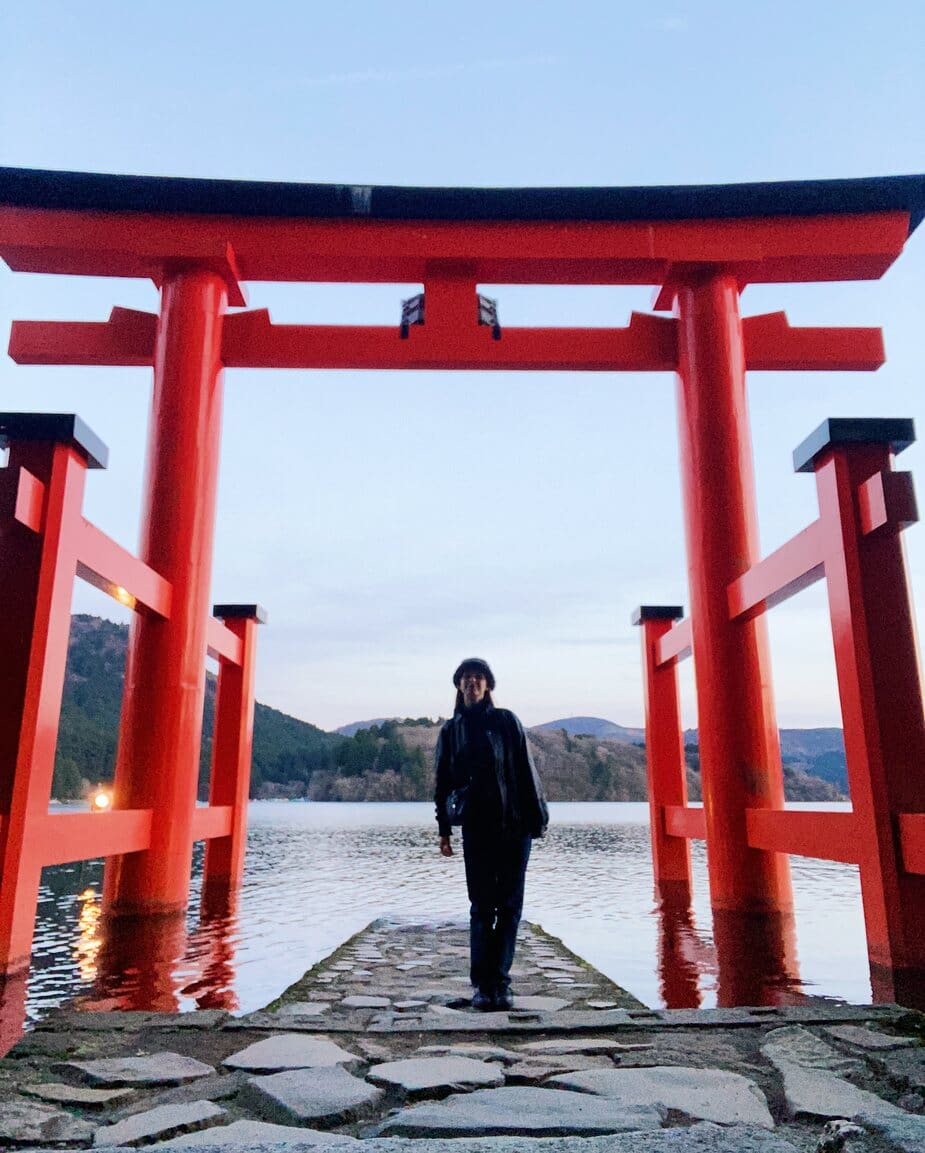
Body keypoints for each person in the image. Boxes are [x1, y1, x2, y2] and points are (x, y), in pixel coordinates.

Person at [434, 657, 549, 1011]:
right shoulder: (451, 731)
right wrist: (444, 830)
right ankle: (482, 986)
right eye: (467, 678)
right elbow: (441, 784)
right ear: (459, 686)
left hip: (514, 827)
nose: (472, 683)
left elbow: (525, 770)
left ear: (488, 685)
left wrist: (537, 817)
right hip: (477, 830)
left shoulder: (505, 722)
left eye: (478, 678)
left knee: (510, 906)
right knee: (482, 907)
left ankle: (501, 981)